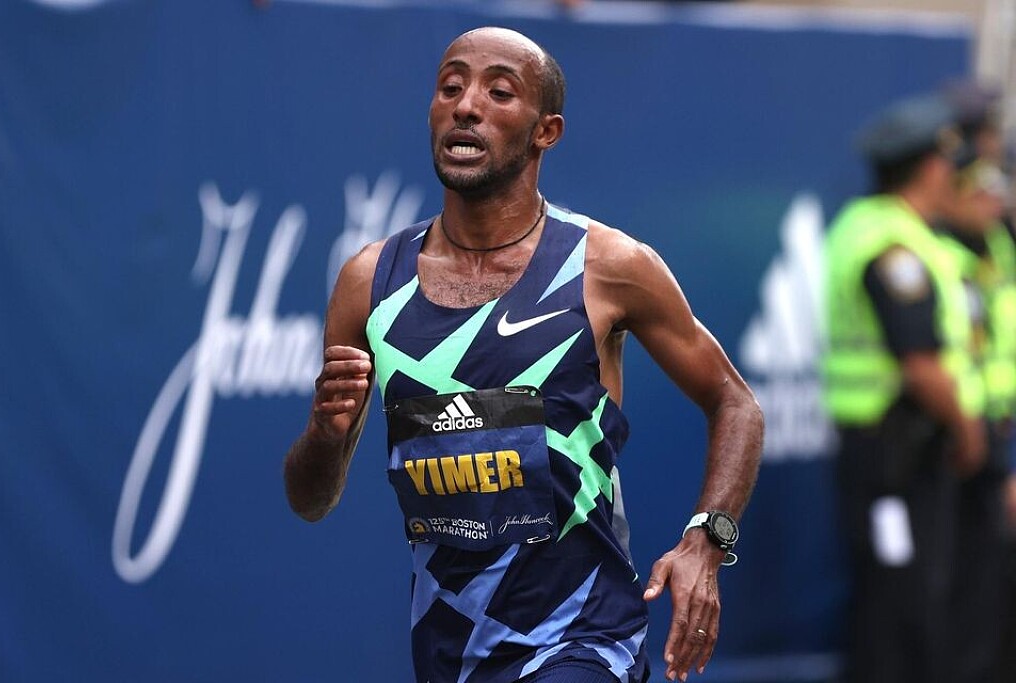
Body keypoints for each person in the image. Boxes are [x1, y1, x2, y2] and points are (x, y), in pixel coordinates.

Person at [283, 26, 763, 683]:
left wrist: (707, 539)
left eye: (499, 92)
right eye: (450, 87)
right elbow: (310, 499)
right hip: (451, 651)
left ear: (546, 131)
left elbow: (735, 401)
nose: (466, 106)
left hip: (585, 639)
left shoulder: (607, 267)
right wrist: (323, 434)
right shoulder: (371, 282)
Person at [821, 93, 987, 683]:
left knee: (908, 595)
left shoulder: (885, 229)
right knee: (900, 601)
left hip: (899, 446)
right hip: (893, 451)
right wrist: (968, 427)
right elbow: (919, 360)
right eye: (950, 166)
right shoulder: (890, 242)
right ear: (930, 168)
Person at [937, 154, 1016, 683]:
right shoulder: (937, 255)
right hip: (954, 441)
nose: (995, 200)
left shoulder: (1000, 249)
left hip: (997, 434)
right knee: (959, 583)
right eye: (980, 190)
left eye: (998, 188)